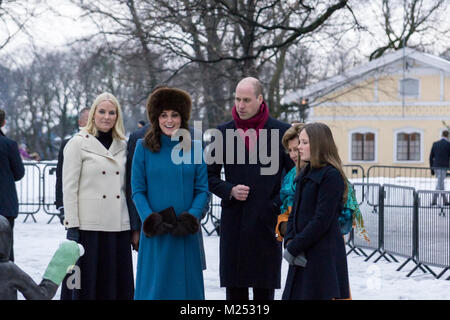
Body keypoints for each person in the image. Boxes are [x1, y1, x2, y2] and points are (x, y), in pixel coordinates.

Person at [207, 77, 293, 300]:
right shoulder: (222, 133)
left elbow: (295, 177)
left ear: (260, 99)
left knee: (264, 291)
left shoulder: (282, 131)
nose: (240, 105)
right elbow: (208, 176)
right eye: (237, 99)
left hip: (267, 223)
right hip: (235, 223)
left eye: (246, 100)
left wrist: (275, 205)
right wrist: (229, 190)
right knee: (235, 292)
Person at [131, 87, 209, 300]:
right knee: (154, 290)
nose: (169, 120)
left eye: (174, 114)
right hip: (156, 234)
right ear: (156, 117)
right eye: (164, 114)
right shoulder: (142, 147)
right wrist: (150, 218)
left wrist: (190, 217)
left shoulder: (195, 148)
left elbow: (202, 189)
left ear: (182, 117)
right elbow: (137, 190)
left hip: (184, 234)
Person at [62, 92, 134, 300]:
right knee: (85, 287)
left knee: (115, 288)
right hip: (88, 229)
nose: (106, 116)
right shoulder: (77, 143)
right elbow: (69, 188)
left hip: (118, 227)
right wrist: (72, 226)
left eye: (112, 112)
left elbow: (126, 188)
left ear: (117, 116)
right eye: (102, 111)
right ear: (93, 114)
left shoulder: (123, 145)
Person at [282, 122, 350, 300]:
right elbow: (294, 212)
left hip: (320, 256)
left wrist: (295, 246)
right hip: (302, 253)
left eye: (304, 142)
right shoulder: (305, 172)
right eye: (300, 142)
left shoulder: (330, 176)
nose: (299, 147)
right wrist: (289, 240)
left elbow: (321, 220)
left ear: (318, 143)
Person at [55, 107, 90, 226]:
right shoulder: (69, 143)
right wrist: (61, 206)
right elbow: (61, 177)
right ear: (80, 122)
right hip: (74, 207)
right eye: (88, 119)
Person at [0, 108, 25, 263]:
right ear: (3, 122)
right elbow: (19, 173)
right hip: (5, 204)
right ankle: (7, 285)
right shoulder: (9, 144)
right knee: (6, 248)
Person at [275, 123, 305, 242]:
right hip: (296, 250)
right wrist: (285, 230)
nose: (292, 155)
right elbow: (285, 212)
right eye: (290, 150)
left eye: (296, 150)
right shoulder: (290, 176)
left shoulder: (328, 173)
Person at [429, 130, 450, 205]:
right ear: (447, 136)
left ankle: (445, 201)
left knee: (440, 183)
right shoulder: (448, 144)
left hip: (436, 167)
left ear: (442, 135)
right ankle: (434, 201)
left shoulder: (435, 144)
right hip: (443, 167)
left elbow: (431, 157)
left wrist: (431, 169)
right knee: (439, 184)